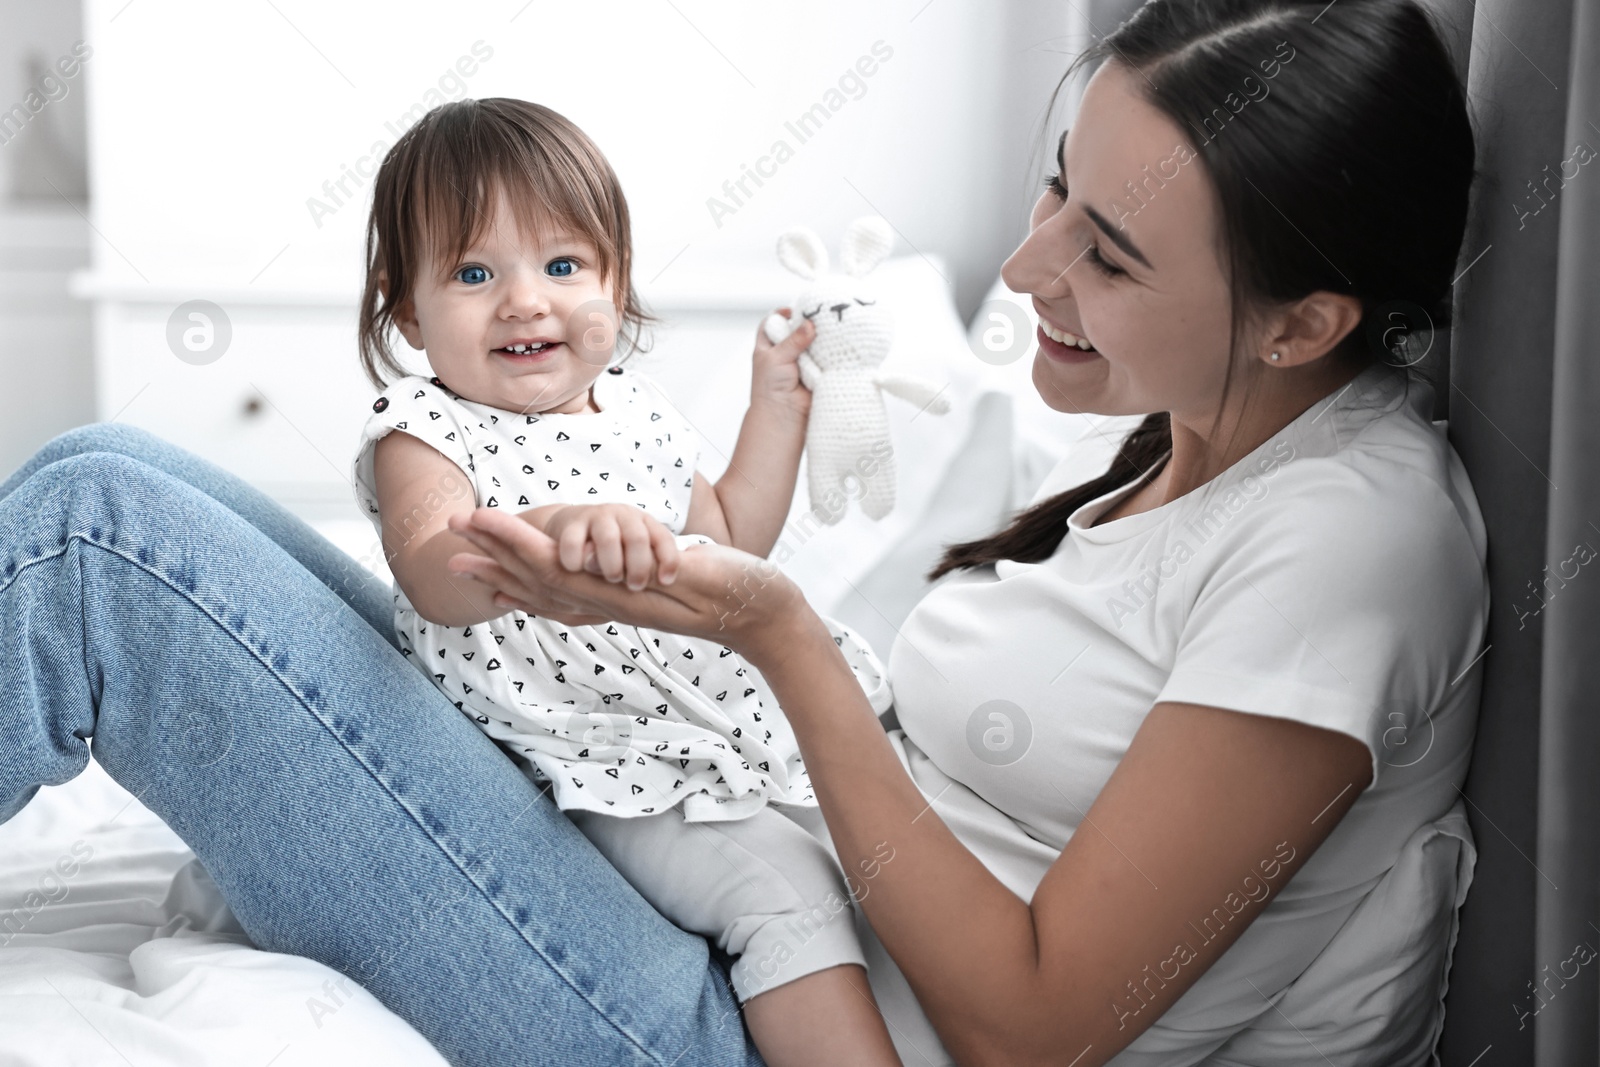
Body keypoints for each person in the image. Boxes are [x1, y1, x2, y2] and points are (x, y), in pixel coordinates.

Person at [0, 0, 1487, 1063]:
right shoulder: (1191, 443)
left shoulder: (1352, 541)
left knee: (93, 539)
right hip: (710, 861)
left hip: (758, 1004)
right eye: (1056, 190)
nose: (1032, 260)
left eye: (1103, 250)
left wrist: (776, 633)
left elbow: (1035, 1028)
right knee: (111, 465)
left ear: (1305, 321)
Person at [349, 97, 902, 1066]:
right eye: (475, 273)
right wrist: (550, 532)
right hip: (593, 759)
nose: (525, 301)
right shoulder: (423, 428)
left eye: (563, 266)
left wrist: (775, 403)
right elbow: (435, 569)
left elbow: (729, 536)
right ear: (406, 306)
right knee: (787, 896)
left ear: (614, 279)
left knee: (888, 838)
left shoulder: (636, 411)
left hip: (714, 720)